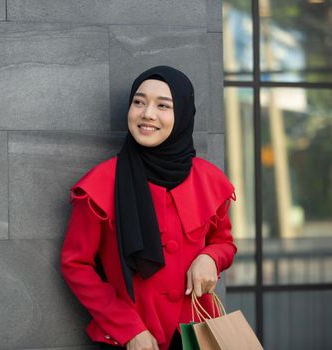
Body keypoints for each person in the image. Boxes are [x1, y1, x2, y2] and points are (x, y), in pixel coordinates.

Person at [60, 66, 237, 350]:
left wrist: (211, 258)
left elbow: (224, 242)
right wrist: (128, 329)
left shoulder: (209, 179)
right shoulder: (101, 183)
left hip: (196, 336)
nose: (147, 114)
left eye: (163, 106)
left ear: (182, 116)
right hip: (133, 340)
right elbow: (76, 265)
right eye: (139, 102)